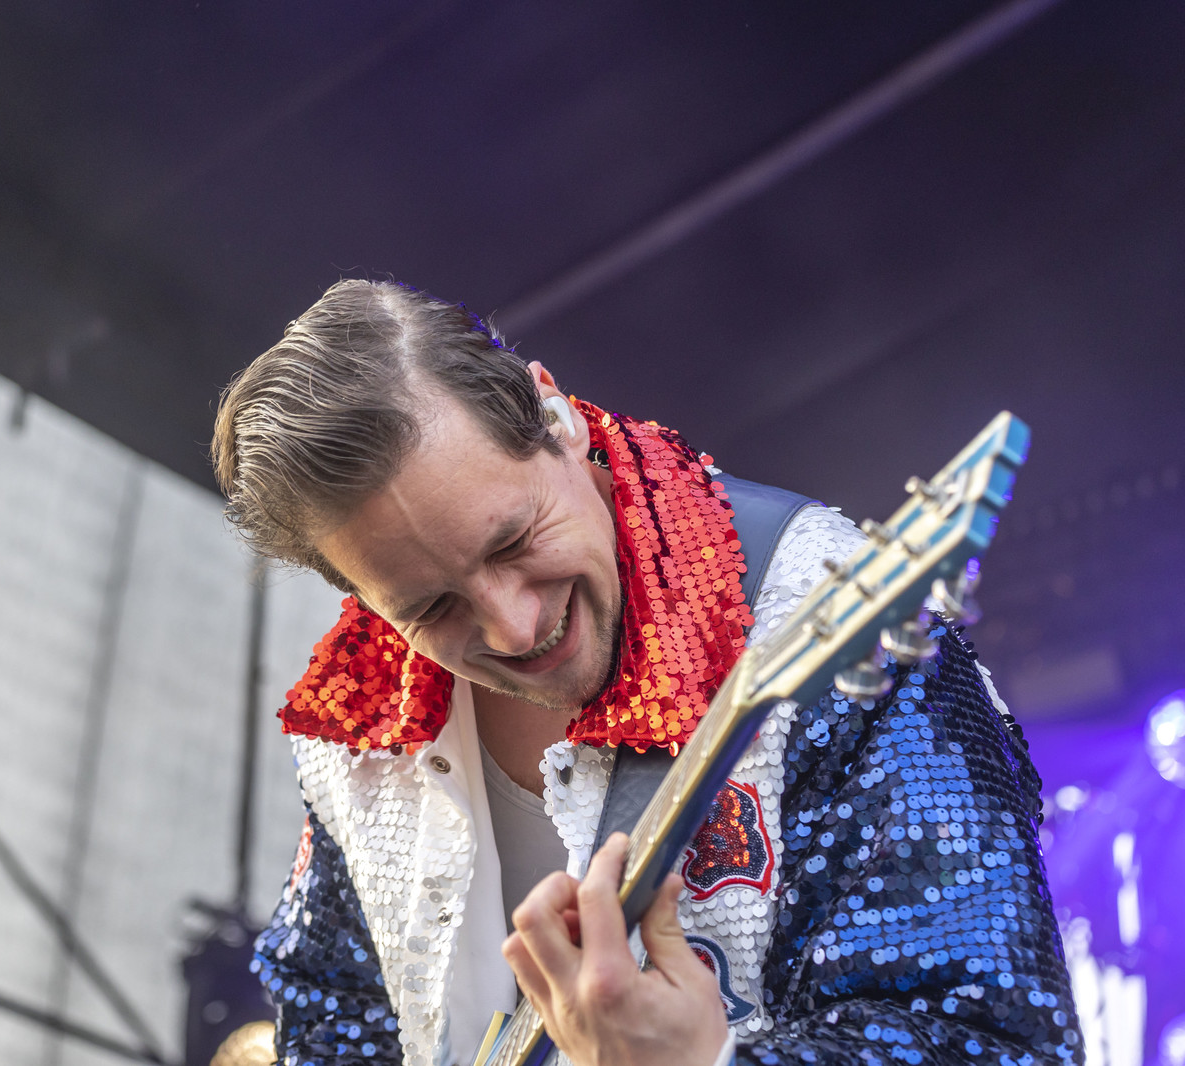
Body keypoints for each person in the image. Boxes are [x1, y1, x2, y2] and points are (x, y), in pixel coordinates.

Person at [214, 280, 1081, 1066]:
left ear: (556, 416)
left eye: (513, 541)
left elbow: (995, 1044)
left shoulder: (835, 618)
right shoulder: (358, 727)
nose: (515, 626)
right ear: (365, 601)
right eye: (432, 607)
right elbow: (333, 1014)